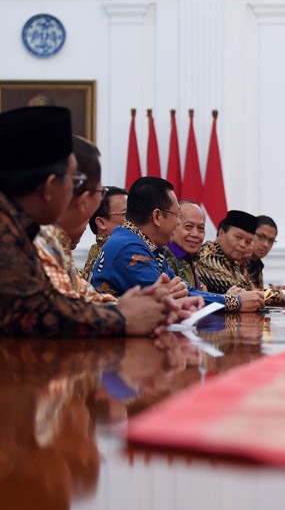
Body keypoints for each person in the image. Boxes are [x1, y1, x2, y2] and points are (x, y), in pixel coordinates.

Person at [0, 105, 178, 337]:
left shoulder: (20, 226)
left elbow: (51, 299)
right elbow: (36, 311)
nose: (77, 192)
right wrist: (121, 317)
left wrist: (128, 306)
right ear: (49, 187)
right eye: (75, 179)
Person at [89, 177, 263, 312]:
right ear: (157, 217)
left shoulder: (147, 245)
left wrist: (228, 300)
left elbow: (184, 291)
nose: (178, 223)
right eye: (177, 215)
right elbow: (172, 302)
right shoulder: (129, 247)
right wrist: (234, 302)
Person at [35, 136, 117, 304]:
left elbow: (88, 300)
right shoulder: (38, 240)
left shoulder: (56, 241)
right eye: (101, 192)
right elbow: (67, 315)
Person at [197, 210, 285, 304]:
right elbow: (247, 297)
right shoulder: (208, 257)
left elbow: (249, 291)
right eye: (238, 237)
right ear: (221, 233)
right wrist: (284, 295)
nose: (242, 244)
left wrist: (276, 291)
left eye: (248, 241)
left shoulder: (232, 261)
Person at [82, 185, 127, 279]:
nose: (134, 219)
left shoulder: (97, 251)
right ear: (101, 223)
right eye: (126, 214)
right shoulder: (122, 253)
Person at [164, 200, 205, 289]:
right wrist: (229, 299)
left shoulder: (193, 259)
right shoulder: (164, 256)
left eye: (201, 228)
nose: (195, 234)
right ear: (174, 225)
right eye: (188, 226)